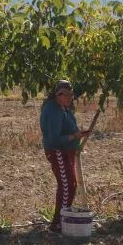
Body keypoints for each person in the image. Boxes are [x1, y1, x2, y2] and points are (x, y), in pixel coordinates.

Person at [40, 80, 89, 233]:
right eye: (65, 95)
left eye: (71, 95)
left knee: (70, 184)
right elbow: (54, 139)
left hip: (66, 152)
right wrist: (74, 136)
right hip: (58, 151)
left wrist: (78, 135)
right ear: (57, 94)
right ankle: (57, 224)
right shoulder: (53, 111)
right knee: (67, 185)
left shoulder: (63, 108)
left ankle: (61, 221)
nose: (69, 98)